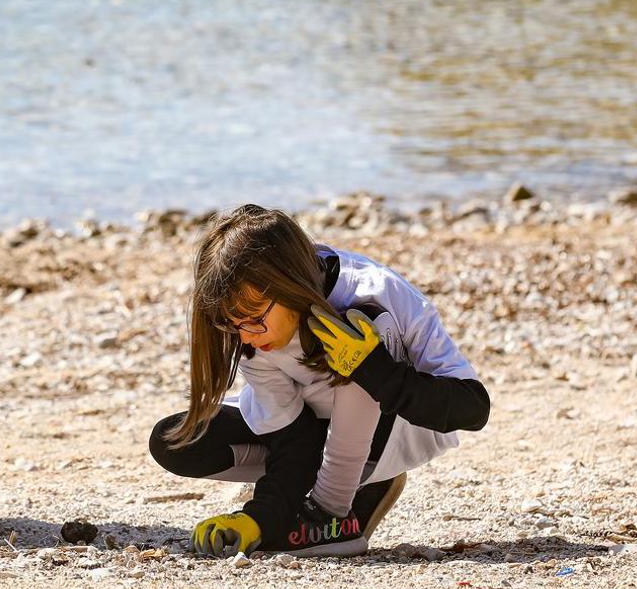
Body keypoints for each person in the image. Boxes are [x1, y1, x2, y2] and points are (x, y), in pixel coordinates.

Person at [149, 205, 490, 557]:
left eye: (253, 319)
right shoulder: (247, 327)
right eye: (233, 324)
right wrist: (260, 518)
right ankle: (349, 491)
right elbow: (293, 438)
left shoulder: (374, 292)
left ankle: (336, 510)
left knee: (361, 329)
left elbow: (474, 410)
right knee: (175, 441)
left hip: (390, 425)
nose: (246, 336)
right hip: (311, 429)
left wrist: (375, 370)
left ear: (289, 284)